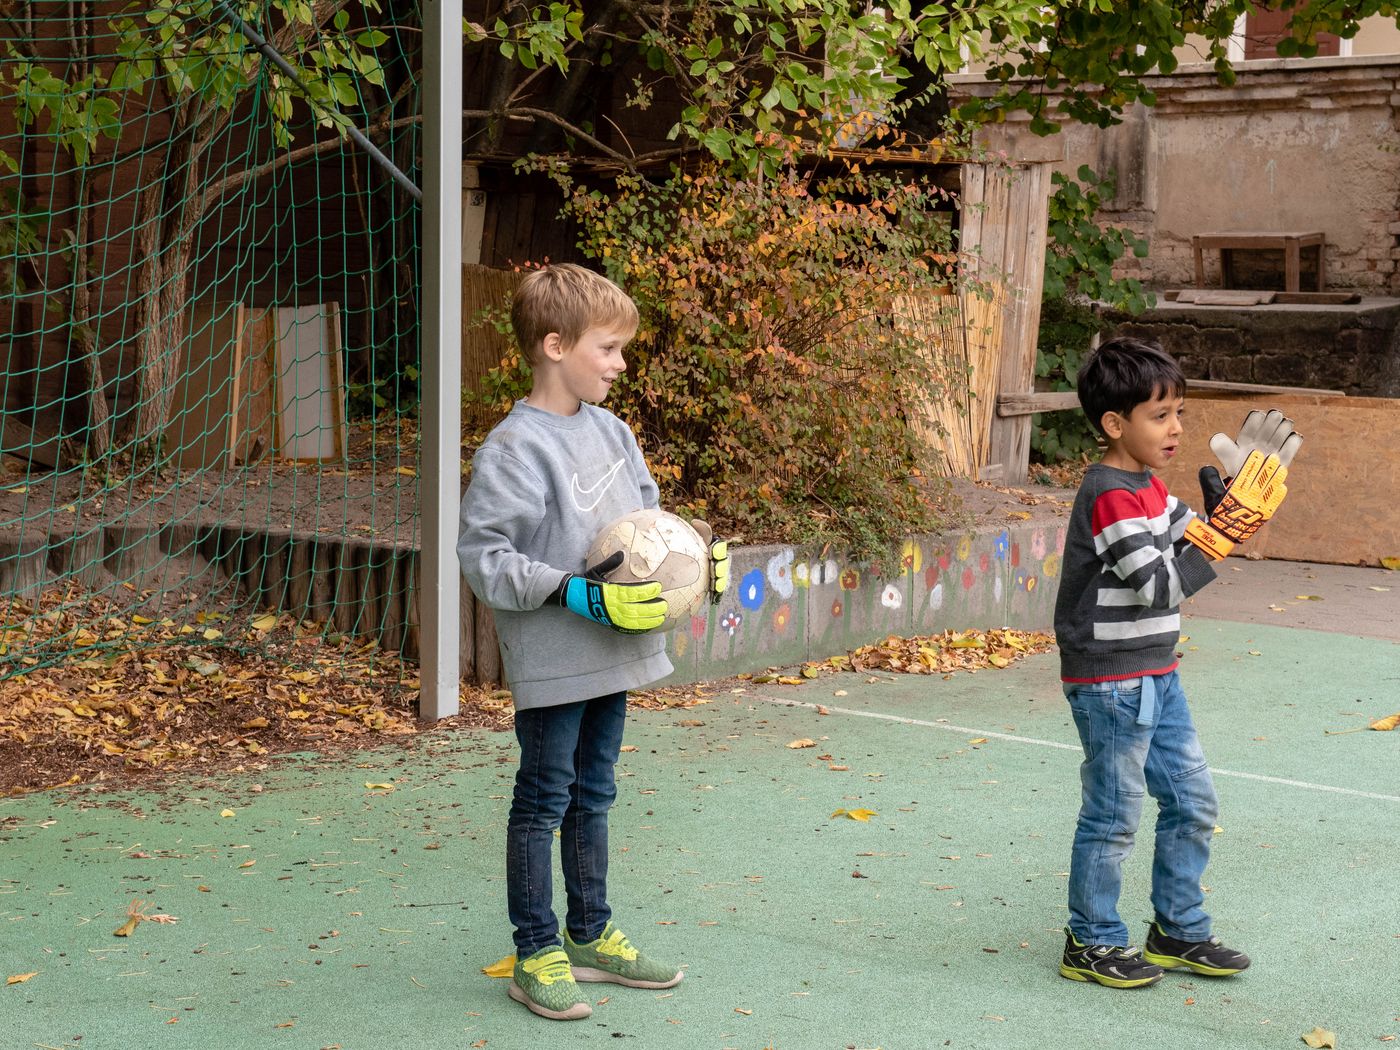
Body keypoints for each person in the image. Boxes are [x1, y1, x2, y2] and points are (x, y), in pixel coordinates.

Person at [457, 263, 728, 1021]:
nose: (619, 363)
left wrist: (701, 552)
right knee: (544, 799)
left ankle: (589, 933)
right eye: (607, 348)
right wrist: (568, 588)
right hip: (555, 659)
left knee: (595, 794)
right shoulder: (516, 447)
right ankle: (535, 948)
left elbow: (650, 526)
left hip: (615, 654)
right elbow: (483, 556)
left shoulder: (613, 432)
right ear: (554, 345)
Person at [1053, 336, 1280, 989]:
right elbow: (1159, 583)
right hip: (1110, 678)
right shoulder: (1110, 494)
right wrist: (1224, 534)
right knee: (1115, 811)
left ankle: (1176, 931)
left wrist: (1233, 513)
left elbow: (1191, 531)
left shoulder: (1149, 487)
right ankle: (1090, 942)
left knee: (1191, 799)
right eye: (1160, 415)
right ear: (1115, 424)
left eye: (1179, 411)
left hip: (1156, 669)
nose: (1177, 427)